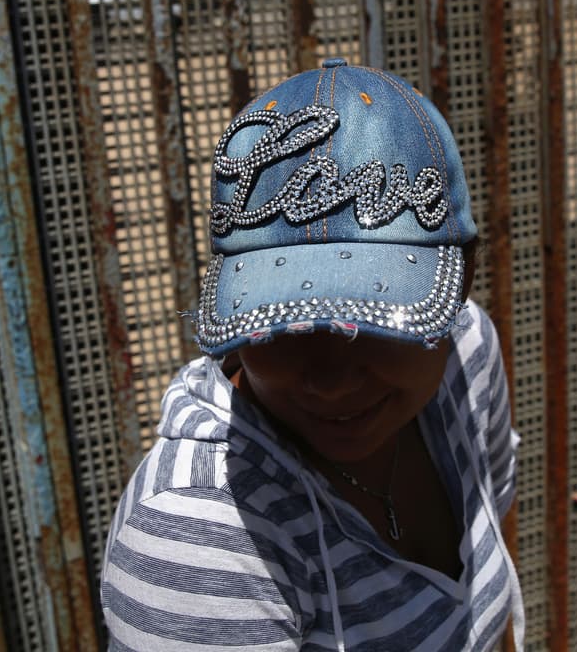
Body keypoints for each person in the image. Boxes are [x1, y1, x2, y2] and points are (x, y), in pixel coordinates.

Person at [101, 59, 524, 650]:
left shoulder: (467, 358)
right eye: (279, 326)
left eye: (370, 322)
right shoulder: (199, 530)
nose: (328, 380)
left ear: (462, 281)